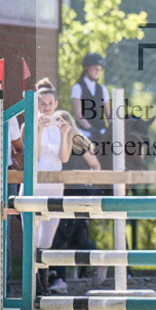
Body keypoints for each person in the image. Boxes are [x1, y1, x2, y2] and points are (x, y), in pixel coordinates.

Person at [24, 78, 73, 295]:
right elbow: (31, 157)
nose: (46, 107)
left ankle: (43, 283)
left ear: (55, 103)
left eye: (49, 103)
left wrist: (64, 135)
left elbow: (64, 157)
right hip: (34, 184)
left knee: (47, 240)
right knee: (32, 238)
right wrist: (39, 131)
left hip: (55, 183)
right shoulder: (29, 124)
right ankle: (34, 286)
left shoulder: (60, 124)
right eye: (42, 103)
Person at [53, 110, 109, 289]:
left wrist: (88, 179)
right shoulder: (55, 142)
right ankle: (96, 260)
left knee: (64, 235)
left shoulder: (79, 140)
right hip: (62, 191)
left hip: (79, 191)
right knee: (71, 236)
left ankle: (59, 278)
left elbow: (95, 166)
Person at [70, 52, 112, 169]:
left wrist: (112, 126)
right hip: (85, 130)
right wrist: (91, 129)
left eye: (99, 69)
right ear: (86, 68)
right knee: (80, 146)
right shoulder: (77, 87)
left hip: (101, 129)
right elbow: (78, 114)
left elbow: (109, 113)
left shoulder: (102, 89)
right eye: (95, 68)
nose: (97, 72)